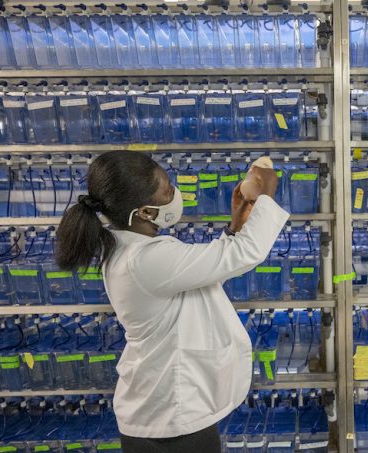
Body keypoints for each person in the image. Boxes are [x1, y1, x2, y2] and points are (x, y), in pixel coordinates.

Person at [55, 151, 288, 452]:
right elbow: (244, 254)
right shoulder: (144, 259)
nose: (174, 193)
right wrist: (266, 195)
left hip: (163, 407)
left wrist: (234, 228)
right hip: (170, 417)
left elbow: (197, 274)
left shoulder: (131, 246)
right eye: (167, 190)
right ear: (146, 212)